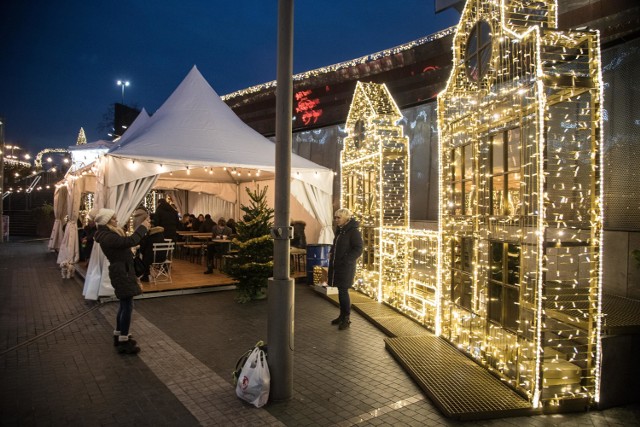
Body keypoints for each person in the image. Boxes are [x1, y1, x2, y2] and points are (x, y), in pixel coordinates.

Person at [93, 208, 150, 354]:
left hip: (122, 270)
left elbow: (126, 243)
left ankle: (119, 335)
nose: (116, 220)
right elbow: (130, 241)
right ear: (106, 221)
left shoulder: (108, 234)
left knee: (124, 305)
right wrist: (143, 228)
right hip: (122, 272)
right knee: (127, 306)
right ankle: (124, 341)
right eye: (113, 219)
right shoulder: (108, 236)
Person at [328, 208, 363, 330]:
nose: (336, 220)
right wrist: (331, 252)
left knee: (343, 291)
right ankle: (342, 316)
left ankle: (346, 318)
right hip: (338, 265)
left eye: (339, 217)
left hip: (346, 267)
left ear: (346, 218)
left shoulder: (353, 232)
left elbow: (358, 249)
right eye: (335, 217)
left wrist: (346, 259)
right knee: (340, 290)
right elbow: (335, 244)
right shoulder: (340, 230)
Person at [134, 209, 166, 282]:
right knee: (147, 253)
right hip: (163, 257)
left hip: (152, 259)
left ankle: (145, 275)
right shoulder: (161, 234)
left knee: (144, 256)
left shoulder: (149, 235)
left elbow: (142, 248)